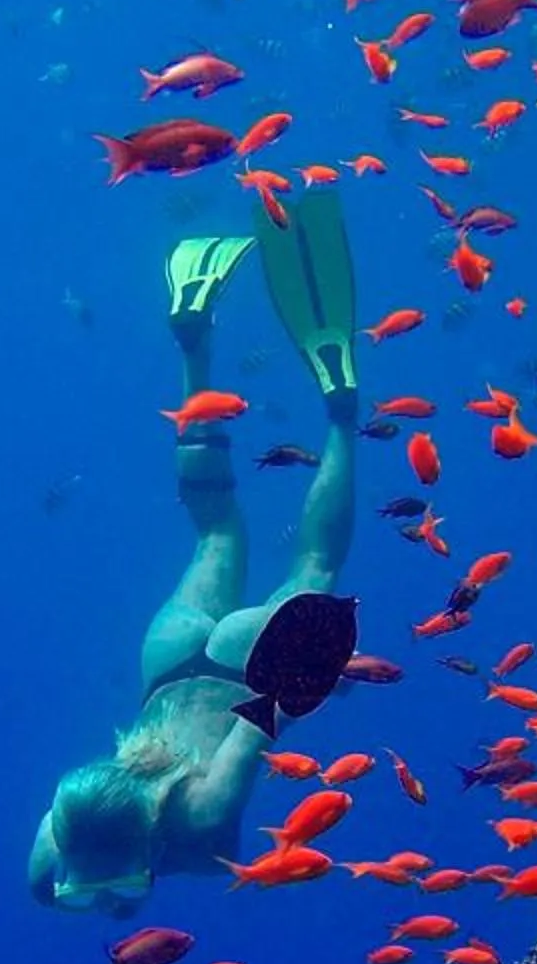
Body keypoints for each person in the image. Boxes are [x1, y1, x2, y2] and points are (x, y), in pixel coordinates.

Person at [28, 195, 359, 915]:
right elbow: (48, 875)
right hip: (169, 658)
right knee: (214, 529)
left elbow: (260, 718)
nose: (114, 900)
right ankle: (194, 346)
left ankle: (341, 407)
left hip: (245, 671)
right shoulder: (71, 823)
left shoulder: (203, 818)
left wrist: (317, 649)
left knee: (317, 565)